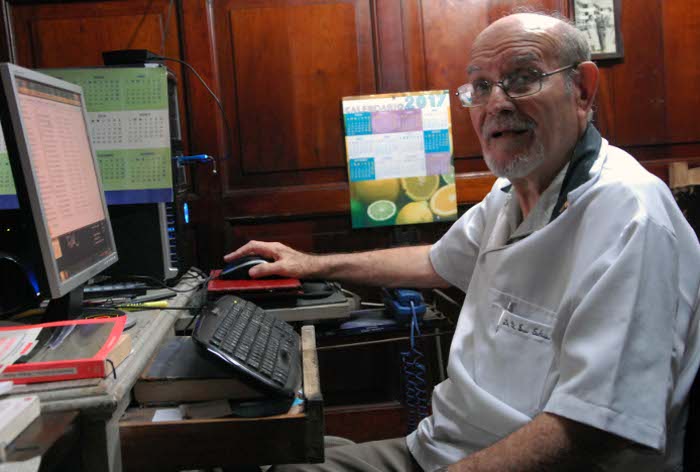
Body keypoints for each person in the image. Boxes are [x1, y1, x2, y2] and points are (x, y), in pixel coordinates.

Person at [225, 12, 700, 472]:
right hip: (441, 447)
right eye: (482, 86)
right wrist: (311, 264)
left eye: (523, 78)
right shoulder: (510, 194)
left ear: (582, 88)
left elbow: (595, 430)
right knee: (275, 459)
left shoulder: (630, 214)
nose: (497, 104)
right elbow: (434, 261)